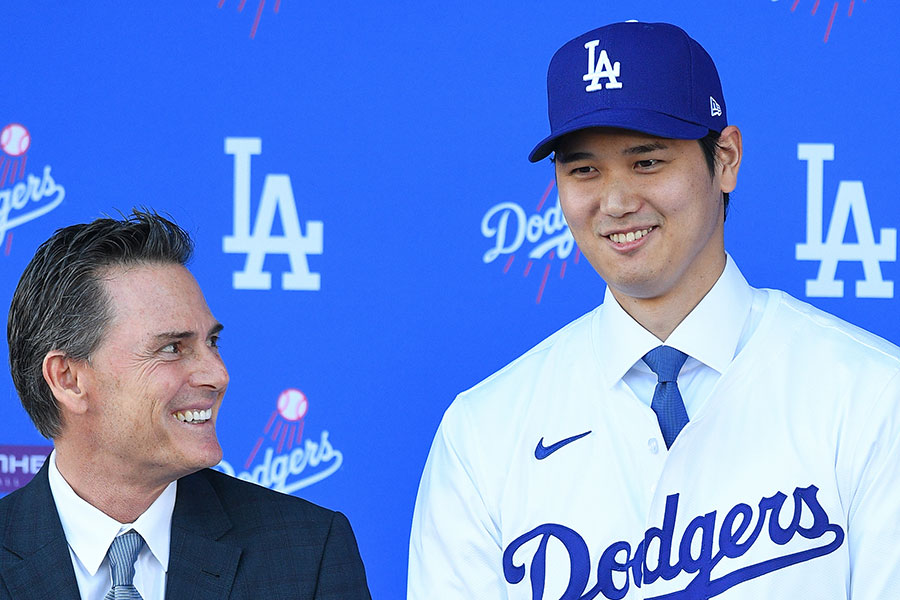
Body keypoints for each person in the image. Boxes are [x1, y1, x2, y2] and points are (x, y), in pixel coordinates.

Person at [409, 21, 900, 599]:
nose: (615, 203)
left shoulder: (872, 394)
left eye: (647, 162)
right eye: (583, 169)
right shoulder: (482, 431)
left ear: (726, 159)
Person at [0, 210, 371, 600]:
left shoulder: (306, 554)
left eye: (212, 342)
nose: (217, 374)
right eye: (172, 348)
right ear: (68, 379)